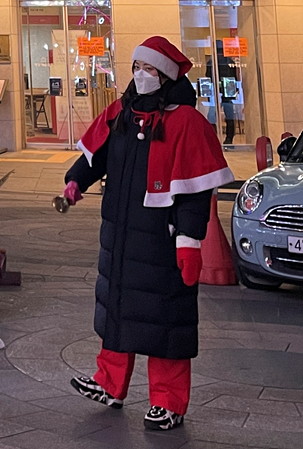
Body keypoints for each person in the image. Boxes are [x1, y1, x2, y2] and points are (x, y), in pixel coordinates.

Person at [64, 36, 233, 432]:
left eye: (149, 70)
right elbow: (97, 156)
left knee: (165, 321)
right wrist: (76, 181)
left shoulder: (186, 122)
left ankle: (168, 402)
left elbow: (196, 190)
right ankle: (110, 384)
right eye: (137, 67)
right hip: (120, 235)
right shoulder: (121, 113)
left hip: (162, 238)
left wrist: (189, 240)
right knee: (117, 310)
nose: (140, 75)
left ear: (166, 75)